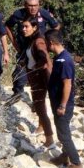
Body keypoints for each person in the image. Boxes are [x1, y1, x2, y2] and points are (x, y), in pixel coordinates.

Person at [5, 0, 61, 102]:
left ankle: (41, 100)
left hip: (39, 50)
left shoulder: (43, 13)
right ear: (25, 5)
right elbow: (7, 26)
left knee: (42, 73)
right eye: (30, 5)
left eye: (36, 5)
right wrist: (14, 43)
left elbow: (56, 26)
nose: (33, 8)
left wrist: (49, 43)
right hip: (24, 49)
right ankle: (17, 94)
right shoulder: (19, 14)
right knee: (20, 73)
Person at [46, 31, 82, 168]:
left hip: (63, 105)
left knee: (64, 134)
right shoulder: (59, 58)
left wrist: (62, 105)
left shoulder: (65, 60)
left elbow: (67, 84)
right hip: (57, 102)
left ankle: (76, 163)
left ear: (51, 43)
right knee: (61, 131)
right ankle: (64, 156)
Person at [20, 18, 55, 148]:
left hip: (41, 80)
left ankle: (50, 139)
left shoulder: (39, 41)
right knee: (40, 108)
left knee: (40, 109)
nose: (23, 29)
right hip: (36, 80)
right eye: (23, 27)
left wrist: (35, 67)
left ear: (34, 28)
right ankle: (46, 132)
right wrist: (27, 64)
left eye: (26, 27)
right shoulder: (31, 41)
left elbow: (44, 57)